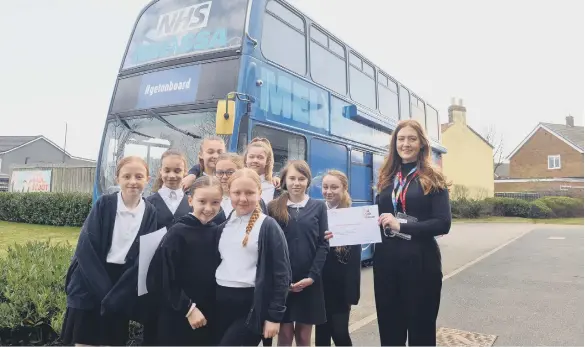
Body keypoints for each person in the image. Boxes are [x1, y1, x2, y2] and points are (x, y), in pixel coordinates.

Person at [61, 156, 157, 346]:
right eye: (126, 176)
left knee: (111, 341)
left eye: (139, 176)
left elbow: (143, 257)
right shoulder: (104, 204)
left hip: (121, 285)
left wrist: (119, 294)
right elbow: (86, 249)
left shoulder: (150, 211)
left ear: (148, 179)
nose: (132, 181)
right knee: (84, 341)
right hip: (89, 281)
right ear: (117, 179)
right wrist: (106, 292)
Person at [375, 119, 451, 346]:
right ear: (394, 143)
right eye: (401, 139)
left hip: (421, 264)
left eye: (411, 139)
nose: (405, 144)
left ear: (421, 144)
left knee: (421, 332)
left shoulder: (433, 177)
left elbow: (443, 223)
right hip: (387, 263)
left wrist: (402, 226)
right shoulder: (387, 177)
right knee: (389, 332)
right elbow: (378, 218)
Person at [215, 168, 291, 346]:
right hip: (221, 301)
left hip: (251, 305)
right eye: (237, 193)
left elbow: (282, 274)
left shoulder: (268, 226)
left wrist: (274, 316)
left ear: (259, 193)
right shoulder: (221, 226)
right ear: (229, 193)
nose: (242, 198)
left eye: (249, 192)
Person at [146, 176, 224, 346]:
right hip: (178, 315)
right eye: (202, 201)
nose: (208, 208)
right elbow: (163, 276)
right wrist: (188, 309)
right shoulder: (177, 233)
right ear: (190, 200)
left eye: (215, 202)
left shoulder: (218, 232)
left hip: (208, 314)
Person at [268, 160, 329, 347]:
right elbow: (269, 246)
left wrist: (312, 277)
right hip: (282, 282)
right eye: (292, 178)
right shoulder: (273, 207)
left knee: (303, 337)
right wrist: (282, 280)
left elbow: (323, 245)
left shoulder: (319, 207)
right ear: (284, 180)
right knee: (284, 336)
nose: (296, 183)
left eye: (301, 179)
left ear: (308, 181)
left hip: (308, 282)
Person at [315, 170, 361, 347]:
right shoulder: (317, 211)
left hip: (341, 287)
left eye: (334, 187)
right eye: (325, 187)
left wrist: (352, 293)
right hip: (320, 283)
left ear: (344, 188)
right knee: (321, 335)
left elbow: (355, 260)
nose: (329, 191)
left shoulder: (351, 216)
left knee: (340, 334)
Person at [147, 149, 192, 230]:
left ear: (185, 172)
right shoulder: (148, 203)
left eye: (177, 171)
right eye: (167, 170)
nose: (171, 175)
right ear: (160, 171)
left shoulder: (192, 204)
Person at [243, 137, 281, 203]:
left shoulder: (274, 186)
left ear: (267, 161)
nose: (255, 160)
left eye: (260, 157)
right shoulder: (237, 182)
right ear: (246, 159)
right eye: (251, 157)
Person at [214, 152, 245, 217]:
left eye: (230, 172)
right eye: (220, 172)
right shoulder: (208, 198)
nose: (224, 177)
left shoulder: (249, 199)